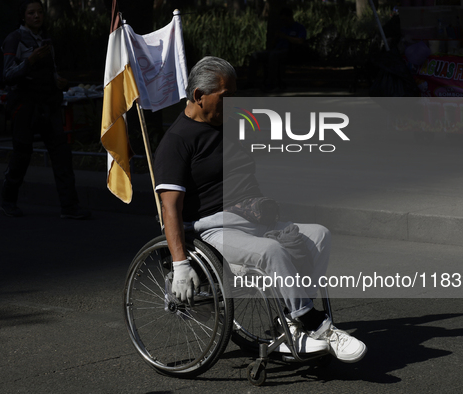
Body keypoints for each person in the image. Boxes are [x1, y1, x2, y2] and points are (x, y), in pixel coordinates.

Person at [154, 56, 366, 362]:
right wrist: (180, 265)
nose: (233, 104)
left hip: (254, 217)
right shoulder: (176, 142)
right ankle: (315, 325)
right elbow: (169, 207)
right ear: (199, 96)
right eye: (226, 97)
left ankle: (292, 320)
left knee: (319, 235)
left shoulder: (227, 125)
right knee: (270, 251)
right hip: (214, 228)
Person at [0, 0, 90, 219]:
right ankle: (8, 200)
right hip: (25, 106)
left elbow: (52, 71)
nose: (37, 16)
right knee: (21, 154)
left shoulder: (47, 40)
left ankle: (69, 206)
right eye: (31, 13)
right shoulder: (15, 39)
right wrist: (29, 61)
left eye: (40, 12)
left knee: (61, 154)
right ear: (23, 16)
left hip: (48, 104)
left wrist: (59, 81)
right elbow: (8, 75)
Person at [246, 7, 307, 91]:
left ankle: (271, 83)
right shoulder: (282, 28)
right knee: (255, 55)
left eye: (285, 19)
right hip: (276, 50)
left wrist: (286, 37)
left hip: (289, 52)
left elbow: (300, 41)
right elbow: (272, 45)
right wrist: (275, 38)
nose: (284, 22)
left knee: (273, 56)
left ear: (290, 17)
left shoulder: (299, 28)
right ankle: (250, 82)